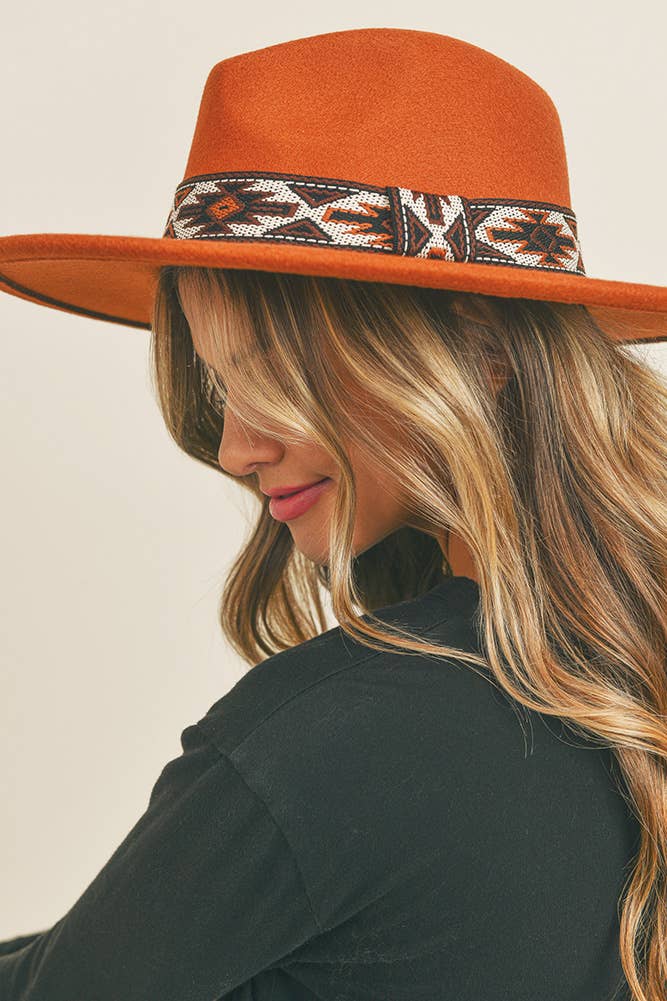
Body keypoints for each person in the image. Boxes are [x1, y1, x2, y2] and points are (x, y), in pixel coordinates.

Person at [1, 25, 666, 1001]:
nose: (235, 447)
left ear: (481, 349)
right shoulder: (625, 686)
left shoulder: (333, 737)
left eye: (271, 374)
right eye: (221, 385)